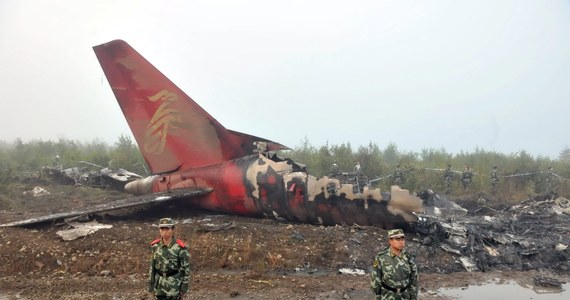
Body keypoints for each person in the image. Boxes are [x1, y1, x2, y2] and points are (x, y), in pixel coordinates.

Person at [149, 218, 191, 300]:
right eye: (162, 229)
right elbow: (152, 267)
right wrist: (151, 285)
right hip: (159, 285)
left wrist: (184, 288)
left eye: (167, 228)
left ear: (172, 229)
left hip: (174, 286)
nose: (164, 232)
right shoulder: (155, 246)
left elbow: (186, 269)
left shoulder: (180, 247)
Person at [371, 229, 418, 300]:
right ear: (390, 241)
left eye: (402, 239)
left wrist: (413, 297)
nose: (401, 242)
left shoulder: (408, 258)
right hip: (388, 296)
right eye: (398, 239)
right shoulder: (381, 258)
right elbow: (376, 280)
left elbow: (414, 280)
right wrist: (377, 297)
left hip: (405, 296)